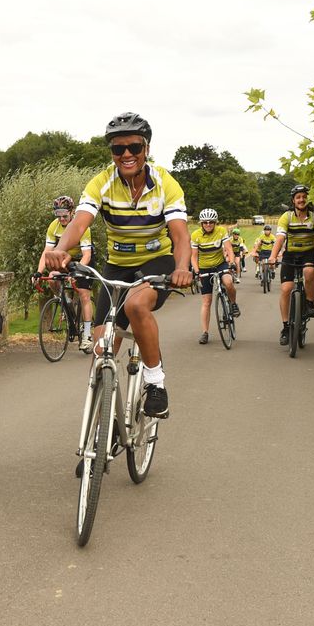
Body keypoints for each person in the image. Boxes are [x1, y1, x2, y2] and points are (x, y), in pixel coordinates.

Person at [44, 112, 192, 425]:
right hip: (116, 266)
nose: (126, 154)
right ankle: (101, 433)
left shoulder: (166, 183)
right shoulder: (101, 183)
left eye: (134, 147)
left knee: (138, 305)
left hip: (156, 262)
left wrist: (182, 267)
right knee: (101, 351)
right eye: (118, 149)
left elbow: (180, 234)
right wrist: (59, 250)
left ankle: (155, 382)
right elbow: (80, 221)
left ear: (146, 149)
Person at [267, 184, 314, 346]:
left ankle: (309, 304)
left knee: (309, 272)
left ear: (307, 199)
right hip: (291, 253)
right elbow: (280, 239)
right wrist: (273, 256)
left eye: (304, 197)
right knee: (286, 289)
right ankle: (286, 327)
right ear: (293, 200)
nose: (301, 200)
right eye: (298, 197)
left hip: (309, 252)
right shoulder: (286, 217)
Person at [35, 195, 94, 353]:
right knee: (53, 277)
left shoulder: (82, 227)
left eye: (65, 215)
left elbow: (87, 255)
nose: (61, 219)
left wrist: (78, 272)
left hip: (82, 260)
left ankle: (87, 335)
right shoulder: (53, 227)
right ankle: (65, 302)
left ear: (72, 212)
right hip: (64, 261)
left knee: (83, 294)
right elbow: (47, 252)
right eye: (58, 215)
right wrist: (39, 272)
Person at [190, 208, 240, 344]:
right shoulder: (195, 235)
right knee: (206, 302)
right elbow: (193, 257)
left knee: (228, 282)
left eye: (211, 222)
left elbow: (229, 249)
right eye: (205, 222)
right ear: (201, 223)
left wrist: (231, 262)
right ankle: (205, 332)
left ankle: (233, 304)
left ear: (215, 222)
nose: (208, 224)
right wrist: (196, 271)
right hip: (204, 267)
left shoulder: (221, 231)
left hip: (220, 264)